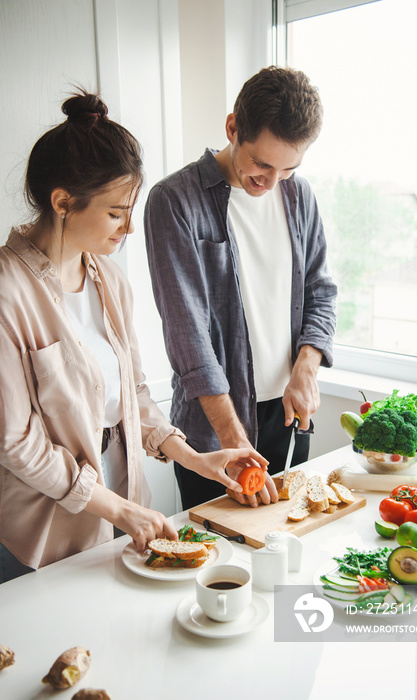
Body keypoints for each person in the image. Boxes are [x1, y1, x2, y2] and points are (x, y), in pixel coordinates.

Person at [0, 91, 267, 584]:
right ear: (63, 202)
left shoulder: (109, 279)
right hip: (40, 530)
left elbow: (133, 393)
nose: (128, 227)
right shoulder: (8, 293)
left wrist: (194, 458)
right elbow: (17, 445)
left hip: (120, 508)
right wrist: (117, 510)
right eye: (115, 212)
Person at [144, 66, 337, 511]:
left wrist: (307, 366)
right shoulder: (174, 201)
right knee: (218, 566)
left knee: (285, 553)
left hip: (287, 418)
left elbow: (321, 291)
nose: (270, 182)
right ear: (233, 128)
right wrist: (235, 444)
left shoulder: (299, 195)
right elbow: (187, 336)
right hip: (216, 432)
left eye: (288, 168)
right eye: (261, 163)